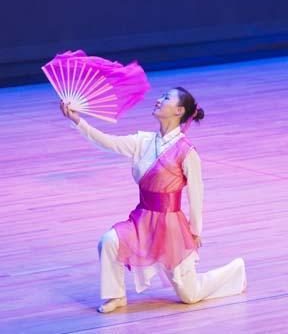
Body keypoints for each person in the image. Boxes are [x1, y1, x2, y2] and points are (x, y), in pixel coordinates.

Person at [60, 87, 246, 313]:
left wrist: (195, 231)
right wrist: (78, 121)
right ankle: (115, 296)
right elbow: (108, 142)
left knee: (190, 295)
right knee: (108, 241)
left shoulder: (187, 151)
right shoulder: (143, 141)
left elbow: (196, 193)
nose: (158, 100)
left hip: (171, 228)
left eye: (166, 98)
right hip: (142, 221)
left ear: (179, 110)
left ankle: (236, 271)